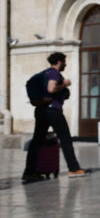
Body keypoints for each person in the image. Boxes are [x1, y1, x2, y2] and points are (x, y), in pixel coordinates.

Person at [23, 52, 89, 181]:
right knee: (65, 139)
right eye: (64, 62)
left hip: (41, 110)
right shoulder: (54, 72)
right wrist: (65, 84)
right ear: (59, 62)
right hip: (53, 111)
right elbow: (51, 89)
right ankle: (74, 169)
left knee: (37, 141)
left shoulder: (46, 73)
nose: (65, 64)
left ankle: (29, 172)